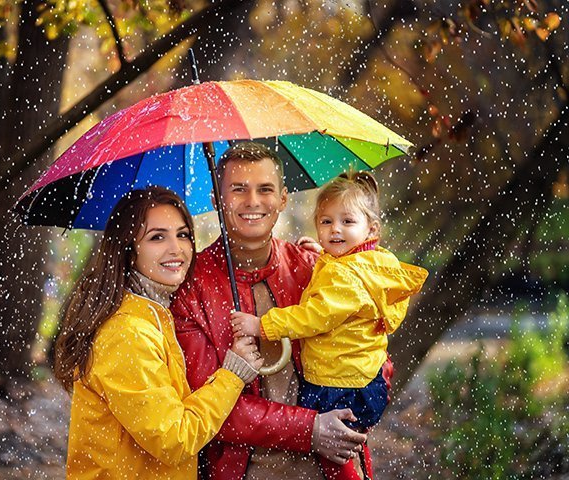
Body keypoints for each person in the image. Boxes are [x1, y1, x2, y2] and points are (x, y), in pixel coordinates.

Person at [171, 143, 377, 480]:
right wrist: (309, 429)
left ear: (282, 199)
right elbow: (205, 407)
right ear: (216, 201)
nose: (253, 201)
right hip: (244, 471)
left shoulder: (314, 269)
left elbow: (372, 352)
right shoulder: (191, 289)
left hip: (331, 470)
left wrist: (363, 394)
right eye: (238, 190)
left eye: (264, 189)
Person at [54, 187, 264, 479]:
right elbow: (173, 439)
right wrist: (232, 375)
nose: (176, 248)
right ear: (128, 248)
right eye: (157, 237)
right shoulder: (127, 334)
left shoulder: (154, 314)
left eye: (182, 234)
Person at [231, 171, 428, 473]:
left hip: (338, 386)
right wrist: (323, 257)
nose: (335, 230)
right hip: (363, 379)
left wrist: (262, 326)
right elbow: (345, 280)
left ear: (371, 228)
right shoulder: (368, 263)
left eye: (347, 222)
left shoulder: (344, 275)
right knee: (343, 457)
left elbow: (314, 316)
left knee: (330, 454)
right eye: (326, 222)